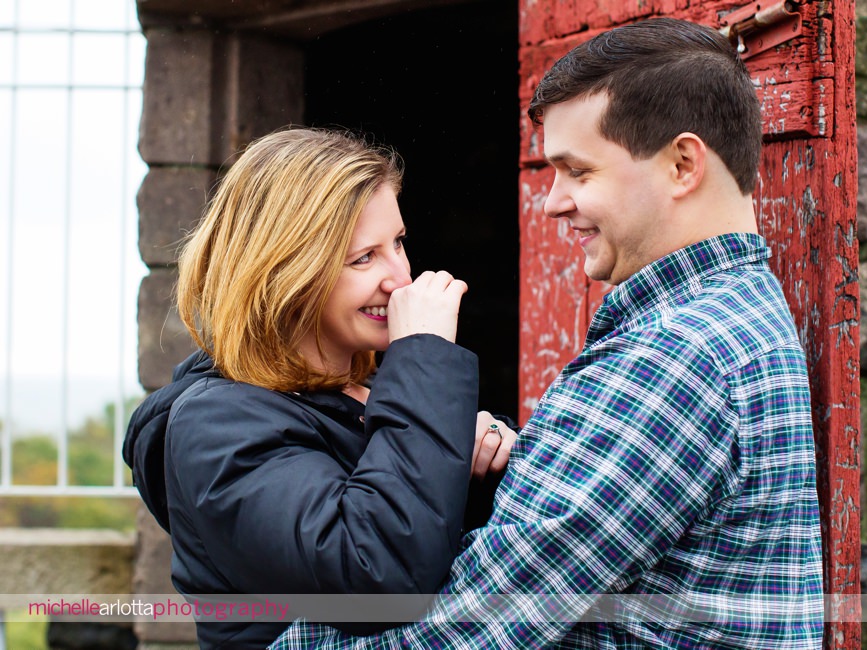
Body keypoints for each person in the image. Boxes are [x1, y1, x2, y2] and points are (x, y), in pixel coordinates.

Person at [271, 16, 824, 650]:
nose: (551, 200)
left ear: (681, 164)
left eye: (578, 172)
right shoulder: (728, 314)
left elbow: (468, 630)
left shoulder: (673, 357)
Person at [121, 127, 516, 650]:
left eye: (397, 243)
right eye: (363, 258)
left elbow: (439, 543)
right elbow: (373, 574)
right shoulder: (216, 426)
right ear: (285, 271)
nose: (400, 277)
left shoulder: (369, 388)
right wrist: (424, 357)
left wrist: (475, 456)